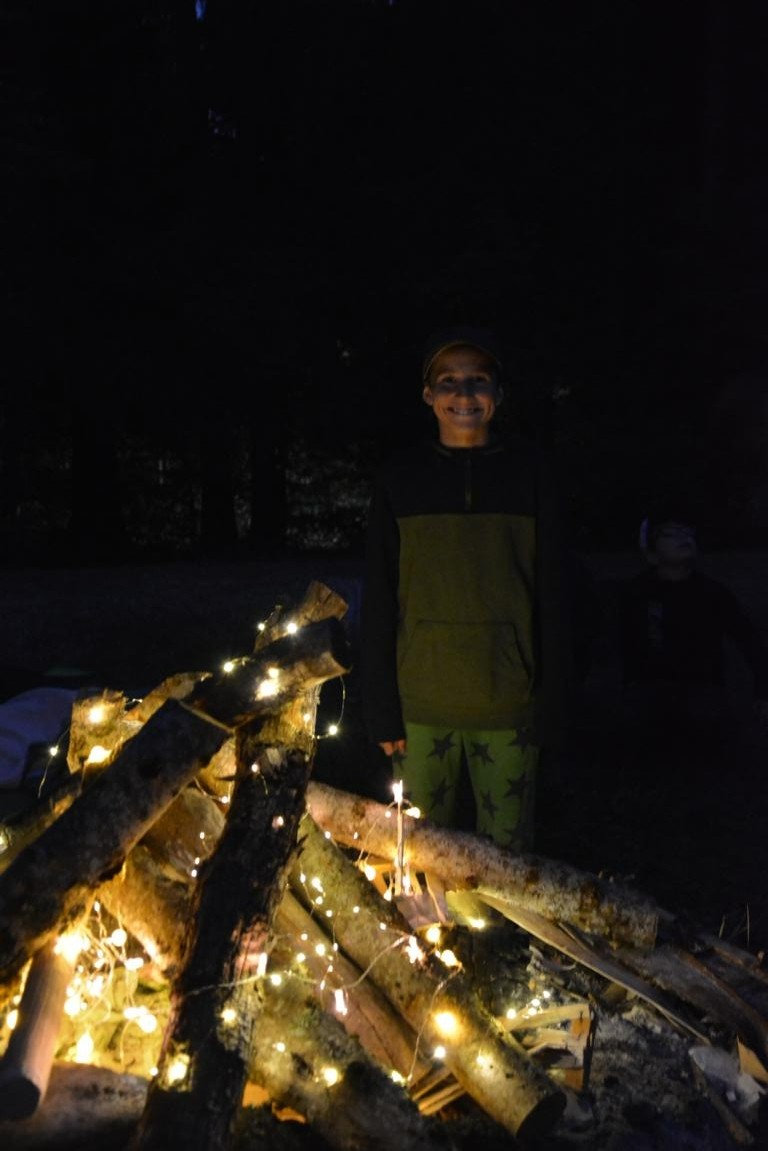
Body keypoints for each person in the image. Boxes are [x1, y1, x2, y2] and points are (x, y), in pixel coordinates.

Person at [360, 326, 574, 855]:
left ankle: (491, 913)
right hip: (419, 706)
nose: (464, 394)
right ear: (428, 394)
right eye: (449, 381)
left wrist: (552, 698)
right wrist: (382, 707)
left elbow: (554, 593)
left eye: (478, 380)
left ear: (498, 393)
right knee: (419, 849)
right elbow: (380, 597)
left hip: (510, 702)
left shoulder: (532, 474)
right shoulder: (399, 479)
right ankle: (429, 914)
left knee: (506, 854)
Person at [618, 504, 768, 765]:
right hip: (650, 688)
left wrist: (762, 690)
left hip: (702, 688)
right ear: (651, 552)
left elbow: (748, 638)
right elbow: (626, 642)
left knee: (704, 742)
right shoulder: (637, 593)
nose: (683, 537)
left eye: (687, 533)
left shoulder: (713, 593)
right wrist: (631, 682)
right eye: (670, 534)